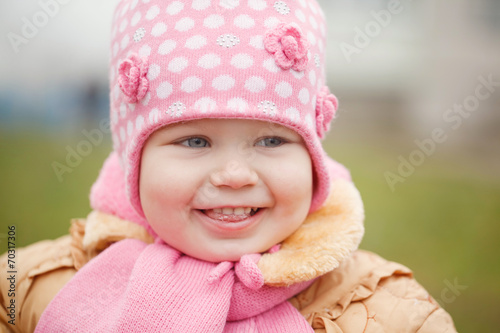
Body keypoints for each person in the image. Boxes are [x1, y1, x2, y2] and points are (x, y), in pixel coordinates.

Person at [0, 0, 457, 331]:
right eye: (195, 140)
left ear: (313, 159)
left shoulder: (389, 313)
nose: (235, 175)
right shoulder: (29, 286)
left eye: (273, 139)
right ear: (132, 164)